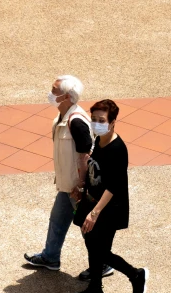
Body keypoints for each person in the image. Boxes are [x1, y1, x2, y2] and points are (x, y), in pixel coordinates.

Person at [24, 75, 114, 280]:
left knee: (86, 226)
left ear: (66, 96)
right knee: (57, 219)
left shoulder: (76, 122)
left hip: (77, 187)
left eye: (54, 91)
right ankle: (50, 257)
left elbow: (85, 155)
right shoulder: (62, 116)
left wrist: (82, 187)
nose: (50, 94)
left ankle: (102, 264)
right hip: (66, 185)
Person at [70, 99, 148, 293]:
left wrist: (94, 213)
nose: (96, 123)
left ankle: (135, 274)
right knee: (93, 246)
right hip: (92, 200)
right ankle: (95, 289)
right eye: (93, 119)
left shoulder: (118, 149)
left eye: (101, 120)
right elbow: (94, 170)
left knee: (100, 250)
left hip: (108, 208)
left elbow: (114, 186)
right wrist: (81, 188)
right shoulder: (98, 140)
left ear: (113, 121)